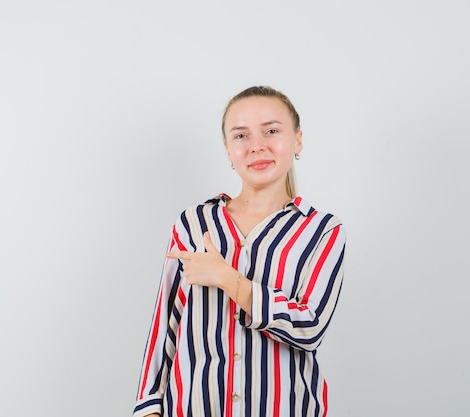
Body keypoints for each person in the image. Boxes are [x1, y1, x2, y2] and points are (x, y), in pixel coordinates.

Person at [133, 86, 346, 417]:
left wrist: (229, 279)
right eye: (241, 136)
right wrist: (148, 409)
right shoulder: (193, 223)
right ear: (228, 150)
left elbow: (310, 327)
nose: (257, 146)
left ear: (297, 140)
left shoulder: (322, 231)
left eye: (271, 131)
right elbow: (165, 326)